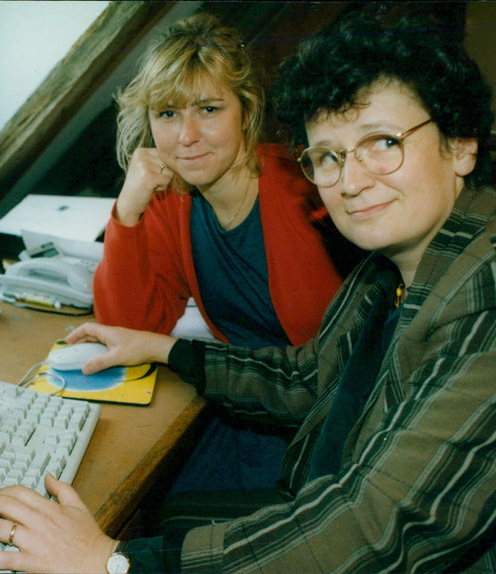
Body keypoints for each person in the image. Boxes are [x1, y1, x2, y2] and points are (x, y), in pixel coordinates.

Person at [0, 10, 496, 573]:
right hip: (324, 481)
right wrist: (164, 348)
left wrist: (112, 563)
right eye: (331, 156)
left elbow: (378, 529)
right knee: (157, 514)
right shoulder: (387, 268)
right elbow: (309, 379)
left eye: (384, 142)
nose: (354, 180)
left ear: (460, 145)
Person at [93, 12, 362, 495]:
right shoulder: (170, 200)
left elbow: (340, 366)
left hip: (322, 417)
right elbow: (129, 329)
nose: (186, 136)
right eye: (167, 114)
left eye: (209, 109)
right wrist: (127, 211)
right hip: (237, 401)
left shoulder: (306, 187)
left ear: (247, 109)